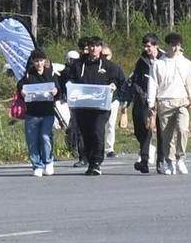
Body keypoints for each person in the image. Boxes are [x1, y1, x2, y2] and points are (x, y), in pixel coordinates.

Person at [63, 37, 123, 175]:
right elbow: (68, 77)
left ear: (100, 48)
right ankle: (90, 161)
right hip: (82, 106)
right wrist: (69, 84)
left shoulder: (108, 65)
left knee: (97, 131)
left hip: (101, 107)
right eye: (91, 46)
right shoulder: (78, 65)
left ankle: (97, 161)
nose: (93, 49)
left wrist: (114, 85)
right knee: (86, 134)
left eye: (96, 46)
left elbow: (119, 78)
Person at [152, 32, 191, 174]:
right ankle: (169, 161)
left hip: (182, 102)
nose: (175, 48)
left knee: (183, 129)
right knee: (167, 135)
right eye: (172, 45)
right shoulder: (158, 64)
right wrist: (151, 103)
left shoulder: (186, 63)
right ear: (167, 46)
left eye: (177, 45)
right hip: (164, 101)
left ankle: (180, 158)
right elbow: (153, 83)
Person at [14, 48, 62, 176]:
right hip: (32, 113)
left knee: (45, 137)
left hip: (47, 112)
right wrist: (22, 91)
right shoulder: (29, 74)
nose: (39, 64)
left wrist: (56, 92)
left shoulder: (51, 74)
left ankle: (48, 161)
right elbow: (20, 86)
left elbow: (58, 89)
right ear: (33, 62)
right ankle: (37, 165)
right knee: (32, 140)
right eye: (36, 61)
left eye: (41, 60)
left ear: (44, 61)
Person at [129, 35, 160, 172]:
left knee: (158, 131)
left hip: (160, 99)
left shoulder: (164, 59)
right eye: (145, 46)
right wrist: (142, 94)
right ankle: (147, 150)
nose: (146, 48)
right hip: (143, 100)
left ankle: (147, 160)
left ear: (156, 46)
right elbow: (135, 80)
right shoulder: (141, 61)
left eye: (149, 46)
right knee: (140, 129)